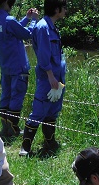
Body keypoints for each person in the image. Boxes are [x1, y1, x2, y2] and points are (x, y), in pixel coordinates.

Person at [20, 0, 67, 157]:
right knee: (39, 110)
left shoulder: (52, 27)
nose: (66, 9)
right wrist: (51, 76)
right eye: (64, 7)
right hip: (49, 78)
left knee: (52, 111)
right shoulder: (43, 27)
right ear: (57, 9)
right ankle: (25, 147)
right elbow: (43, 56)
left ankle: (50, 142)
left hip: (57, 77)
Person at [0, 0, 39, 142]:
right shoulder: (9, 20)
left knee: (6, 95)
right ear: (7, 2)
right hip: (18, 66)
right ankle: (13, 129)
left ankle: (6, 127)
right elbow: (28, 34)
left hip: (5, 66)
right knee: (17, 96)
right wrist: (34, 20)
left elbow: (13, 29)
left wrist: (26, 18)